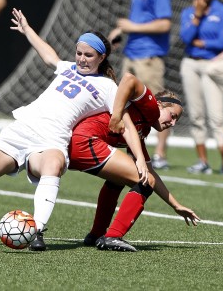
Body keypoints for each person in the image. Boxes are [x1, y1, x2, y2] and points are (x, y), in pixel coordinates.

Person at [0, 8, 148, 252]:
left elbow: (126, 124)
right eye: (78, 53)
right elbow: (49, 55)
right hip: (20, 132)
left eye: (88, 55)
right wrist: (27, 30)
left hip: (52, 141)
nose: (81, 59)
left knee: (53, 165)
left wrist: (140, 159)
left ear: (101, 58)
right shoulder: (68, 68)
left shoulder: (108, 88)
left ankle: (37, 230)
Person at [68, 73, 200, 252]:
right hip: (85, 141)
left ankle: (96, 234)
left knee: (124, 178)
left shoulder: (142, 128)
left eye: (177, 119)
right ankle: (113, 236)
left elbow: (150, 171)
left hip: (76, 144)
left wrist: (175, 205)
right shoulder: (151, 108)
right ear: (159, 105)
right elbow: (129, 78)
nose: (173, 123)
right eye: (172, 115)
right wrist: (116, 115)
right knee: (144, 181)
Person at [107, 0, 173, 170]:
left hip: (149, 58)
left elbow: (164, 24)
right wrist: (120, 31)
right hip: (131, 55)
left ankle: (160, 154)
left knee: (160, 106)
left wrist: (131, 26)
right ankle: (131, 150)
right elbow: (140, 19)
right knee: (124, 105)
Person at [179, 0, 223, 174]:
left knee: (216, 116)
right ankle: (202, 161)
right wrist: (198, 16)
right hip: (190, 64)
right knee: (196, 115)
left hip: (212, 66)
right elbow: (185, 38)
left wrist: (201, 43)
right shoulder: (189, 12)